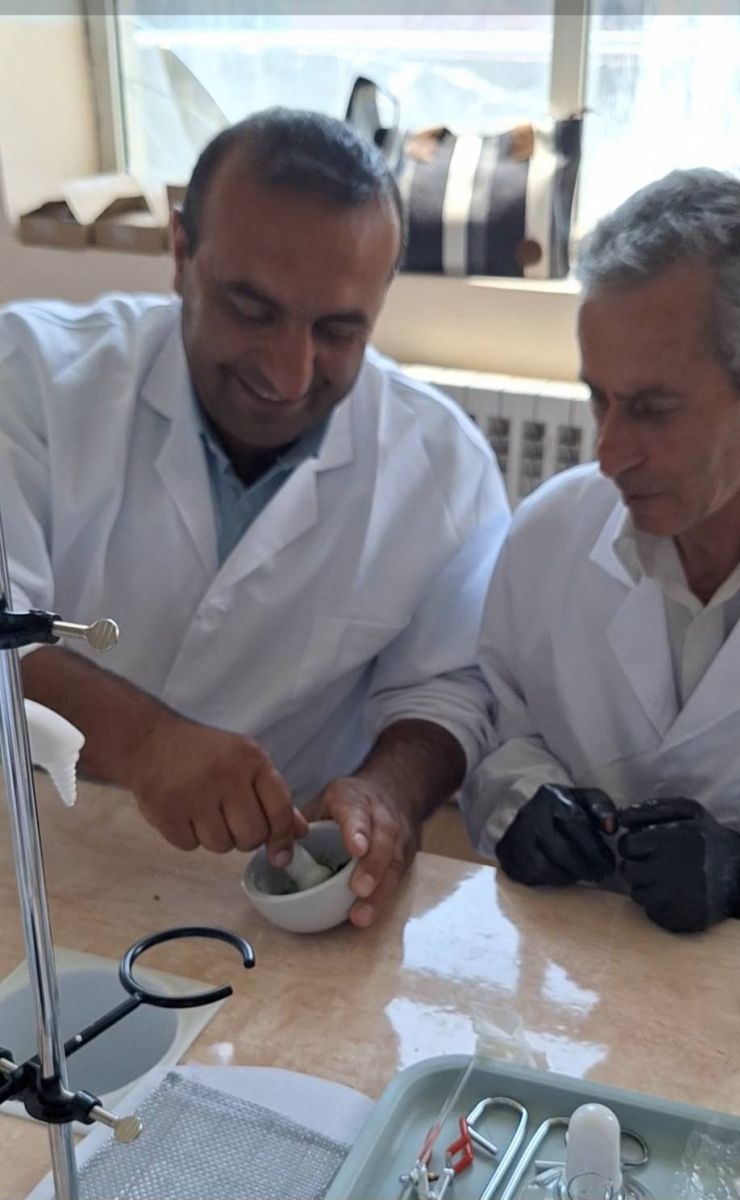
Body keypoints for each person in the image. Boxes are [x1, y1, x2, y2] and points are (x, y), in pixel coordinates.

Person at [0, 109, 510, 927]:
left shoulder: (442, 465)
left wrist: (387, 795)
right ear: (181, 255)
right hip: (25, 838)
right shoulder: (28, 377)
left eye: (337, 329)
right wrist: (146, 744)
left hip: (262, 899)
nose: (289, 372)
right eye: (252, 309)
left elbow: (447, 688)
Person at [462, 167, 740, 945]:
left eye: (653, 409)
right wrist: (523, 801)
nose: (608, 454)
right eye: (598, 399)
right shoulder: (550, 534)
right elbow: (499, 730)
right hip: (580, 978)